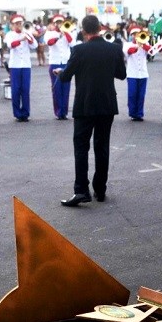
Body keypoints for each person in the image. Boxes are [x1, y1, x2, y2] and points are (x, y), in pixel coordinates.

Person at [55, 15, 126, 207]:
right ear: (100, 28)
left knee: (81, 148)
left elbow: (66, 77)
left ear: (84, 31)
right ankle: (100, 189)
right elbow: (121, 75)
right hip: (106, 105)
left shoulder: (79, 50)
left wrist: (60, 72)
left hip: (85, 106)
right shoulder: (114, 49)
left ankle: (81, 191)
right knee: (102, 147)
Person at [3, 14, 37, 122]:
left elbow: (34, 46)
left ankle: (26, 113)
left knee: (25, 90)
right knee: (16, 90)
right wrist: (21, 39)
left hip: (26, 65)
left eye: (20, 23)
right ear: (12, 25)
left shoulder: (26, 33)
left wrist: (29, 37)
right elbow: (10, 45)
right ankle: (17, 113)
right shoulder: (10, 34)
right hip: (15, 65)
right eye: (16, 24)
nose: (19, 26)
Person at [45, 14, 77, 119]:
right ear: (54, 23)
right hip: (55, 62)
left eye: (60, 22)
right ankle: (59, 112)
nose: (59, 24)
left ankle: (65, 112)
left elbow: (73, 44)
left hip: (66, 62)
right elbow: (49, 43)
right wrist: (59, 36)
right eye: (57, 22)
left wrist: (66, 33)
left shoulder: (69, 32)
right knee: (57, 88)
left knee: (66, 88)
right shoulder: (50, 33)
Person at [122, 26, 150, 121]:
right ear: (132, 35)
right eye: (134, 34)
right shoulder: (127, 44)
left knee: (141, 95)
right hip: (132, 73)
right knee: (132, 94)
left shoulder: (145, 43)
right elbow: (129, 52)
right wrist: (137, 46)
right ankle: (132, 113)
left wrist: (143, 44)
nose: (136, 36)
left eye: (137, 34)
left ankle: (139, 113)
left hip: (143, 73)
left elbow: (150, 51)